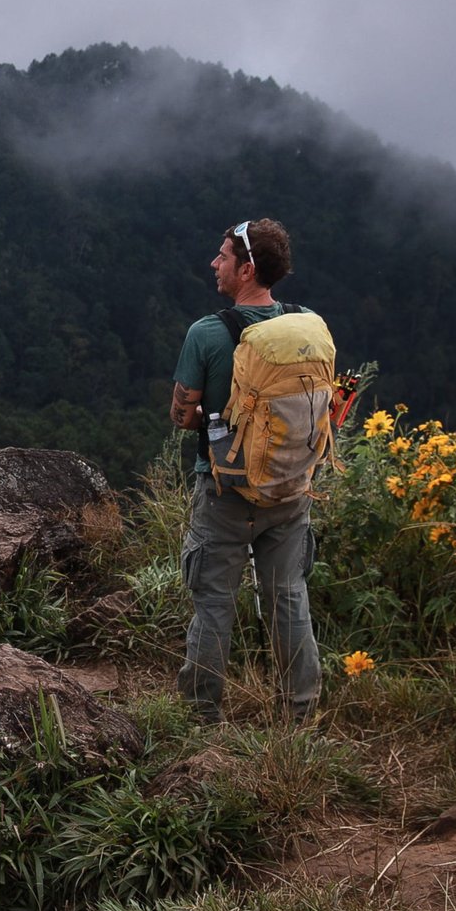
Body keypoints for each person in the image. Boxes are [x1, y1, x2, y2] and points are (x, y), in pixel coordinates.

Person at [168, 219, 321, 724]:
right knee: (288, 600)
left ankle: (200, 718)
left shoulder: (209, 333)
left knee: (214, 603)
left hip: (224, 493)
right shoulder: (304, 327)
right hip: (290, 490)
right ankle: (298, 719)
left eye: (223, 256)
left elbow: (181, 415)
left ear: (247, 268)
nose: (215, 263)